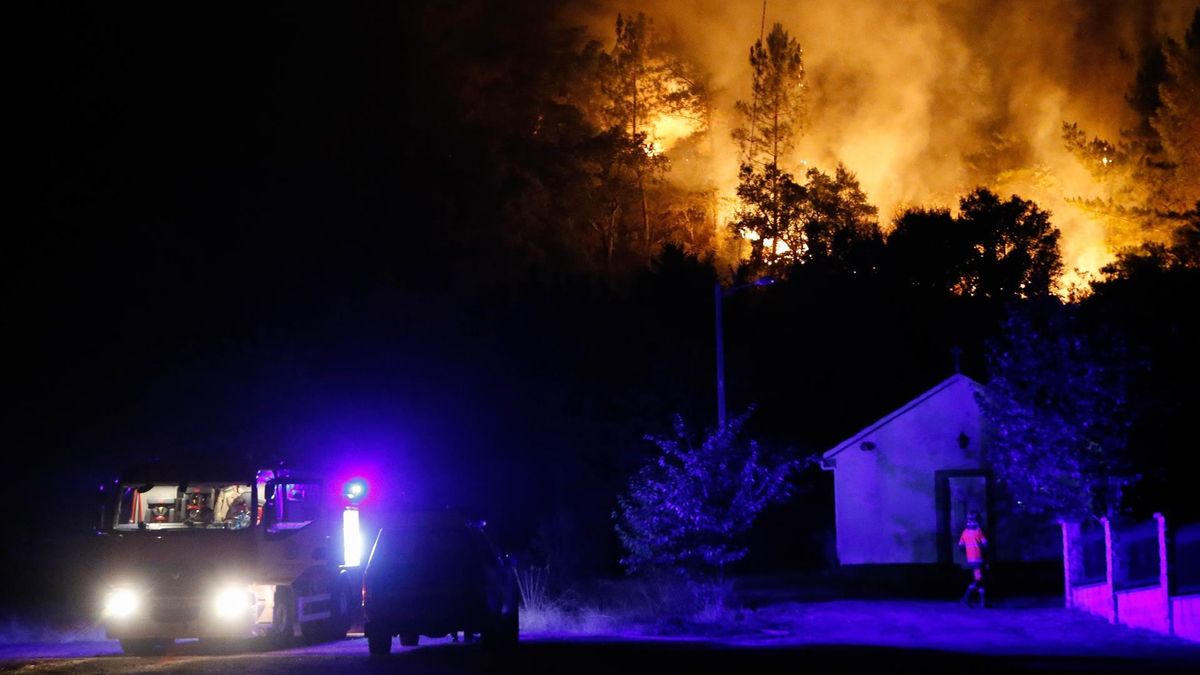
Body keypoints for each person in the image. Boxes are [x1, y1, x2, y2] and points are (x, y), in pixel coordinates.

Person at [958, 511, 988, 607]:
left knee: (980, 580)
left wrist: (968, 551)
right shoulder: (978, 532)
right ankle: (965, 599)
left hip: (970, 559)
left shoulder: (965, 532)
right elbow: (985, 544)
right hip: (978, 558)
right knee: (978, 579)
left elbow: (960, 545)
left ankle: (983, 603)